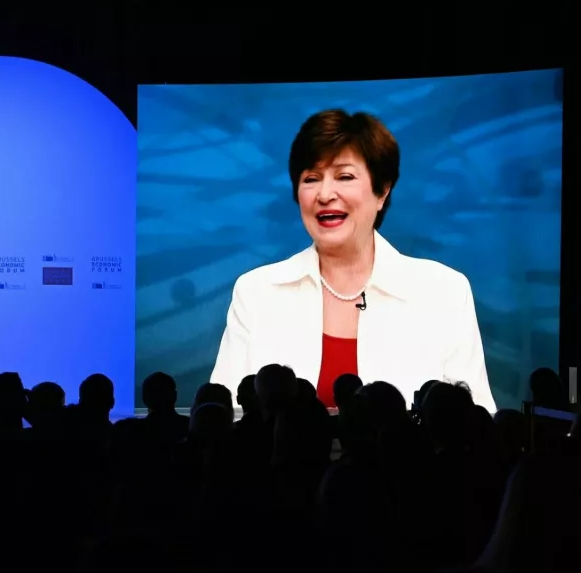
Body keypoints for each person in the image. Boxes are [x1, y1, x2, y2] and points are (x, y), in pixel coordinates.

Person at [210, 109, 496, 412]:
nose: (324, 194)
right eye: (311, 178)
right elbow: (224, 416)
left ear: (382, 191)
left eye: (344, 176)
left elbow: (475, 426)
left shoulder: (444, 292)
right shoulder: (256, 293)